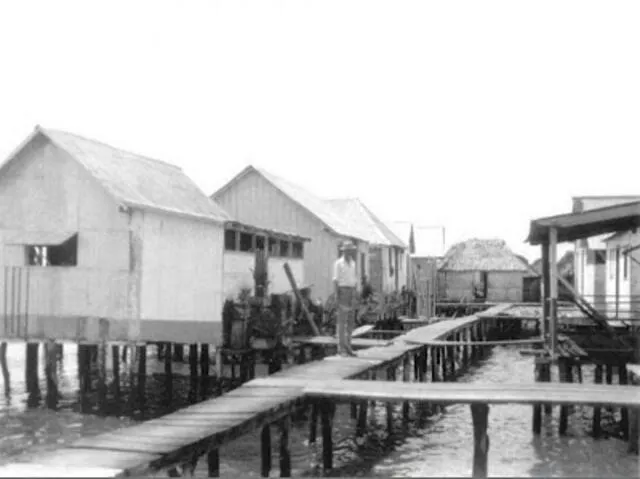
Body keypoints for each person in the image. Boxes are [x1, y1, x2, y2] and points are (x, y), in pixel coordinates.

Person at [333, 240, 359, 357]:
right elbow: (335, 280)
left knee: (350, 322)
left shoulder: (353, 263)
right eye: (347, 250)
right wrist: (336, 296)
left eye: (351, 251)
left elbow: (354, 279)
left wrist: (355, 294)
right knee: (342, 322)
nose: (349, 252)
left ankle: (348, 346)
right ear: (344, 251)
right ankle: (341, 348)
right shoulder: (338, 263)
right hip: (342, 291)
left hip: (351, 291)